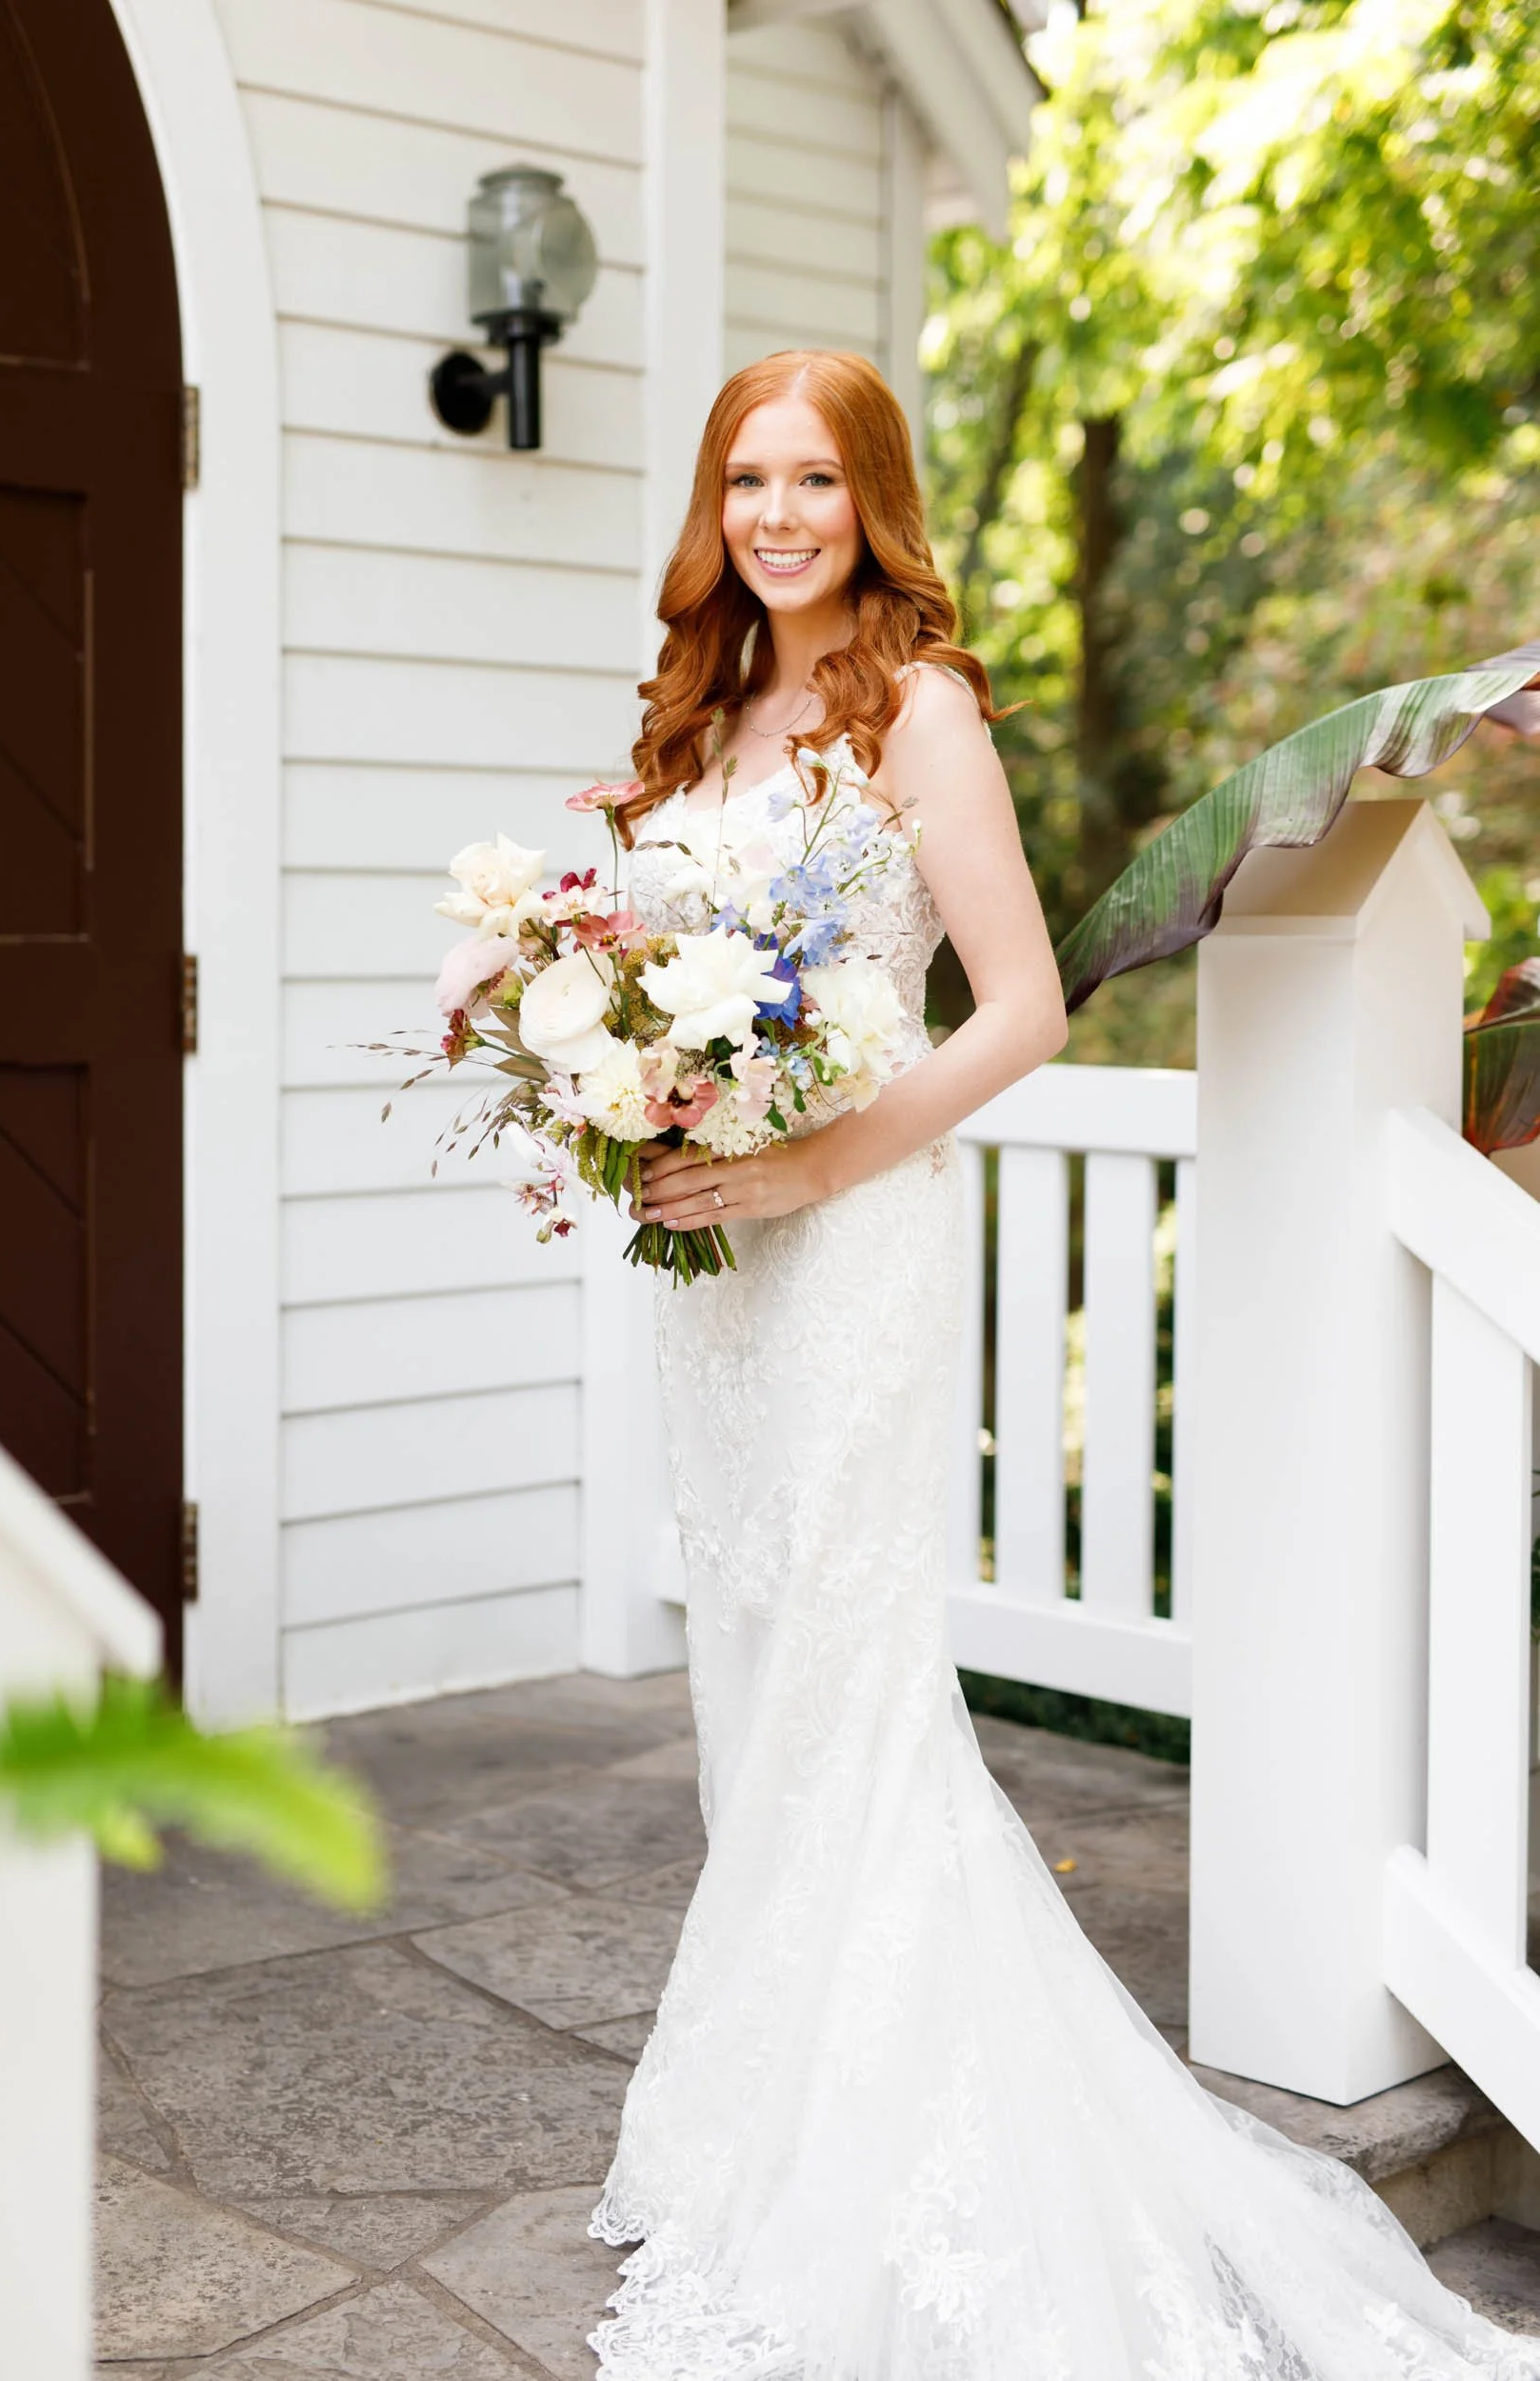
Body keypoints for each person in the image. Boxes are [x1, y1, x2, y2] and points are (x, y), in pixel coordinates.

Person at [586, 348, 1534, 2380]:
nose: (774, 515)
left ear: (872, 503)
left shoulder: (915, 707)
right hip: (717, 1254)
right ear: (711, 502)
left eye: (813, 483)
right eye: (745, 479)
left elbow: (1014, 1006)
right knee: (747, 1646)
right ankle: (758, 2107)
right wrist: (624, 1089)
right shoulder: (693, 715)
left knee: (848, 1671)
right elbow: (641, 964)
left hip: (849, 1241)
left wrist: (808, 1156)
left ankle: (860, 2147)